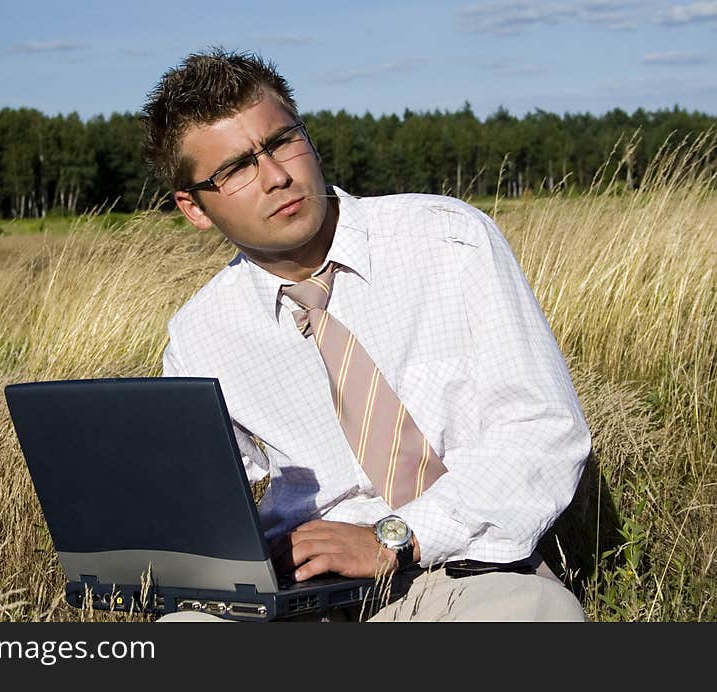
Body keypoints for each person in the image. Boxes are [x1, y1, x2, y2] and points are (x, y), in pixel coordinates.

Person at [141, 48, 591, 621]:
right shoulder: (200, 333)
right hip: (303, 594)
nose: (277, 177)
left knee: (532, 618)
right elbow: (205, 506)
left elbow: (543, 432)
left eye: (281, 142)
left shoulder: (450, 241)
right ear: (194, 207)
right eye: (235, 170)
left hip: (457, 571)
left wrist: (394, 538)